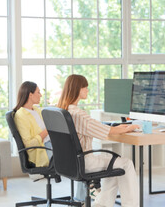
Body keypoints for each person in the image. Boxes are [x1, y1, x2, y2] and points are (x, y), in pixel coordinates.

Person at [57, 74, 139, 207]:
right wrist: (128, 127)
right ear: (78, 89)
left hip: (68, 163)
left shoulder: (61, 110)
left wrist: (117, 127)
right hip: (85, 162)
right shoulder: (78, 114)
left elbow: (96, 126)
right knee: (127, 164)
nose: (87, 90)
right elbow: (105, 131)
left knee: (114, 166)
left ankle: (101, 205)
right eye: (85, 87)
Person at [13, 81, 52, 167]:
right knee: (73, 156)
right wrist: (46, 132)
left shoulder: (36, 110)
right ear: (30, 95)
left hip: (50, 144)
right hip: (42, 151)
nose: (41, 95)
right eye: (38, 92)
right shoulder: (21, 115)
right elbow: (28, 144)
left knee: (74, 149)